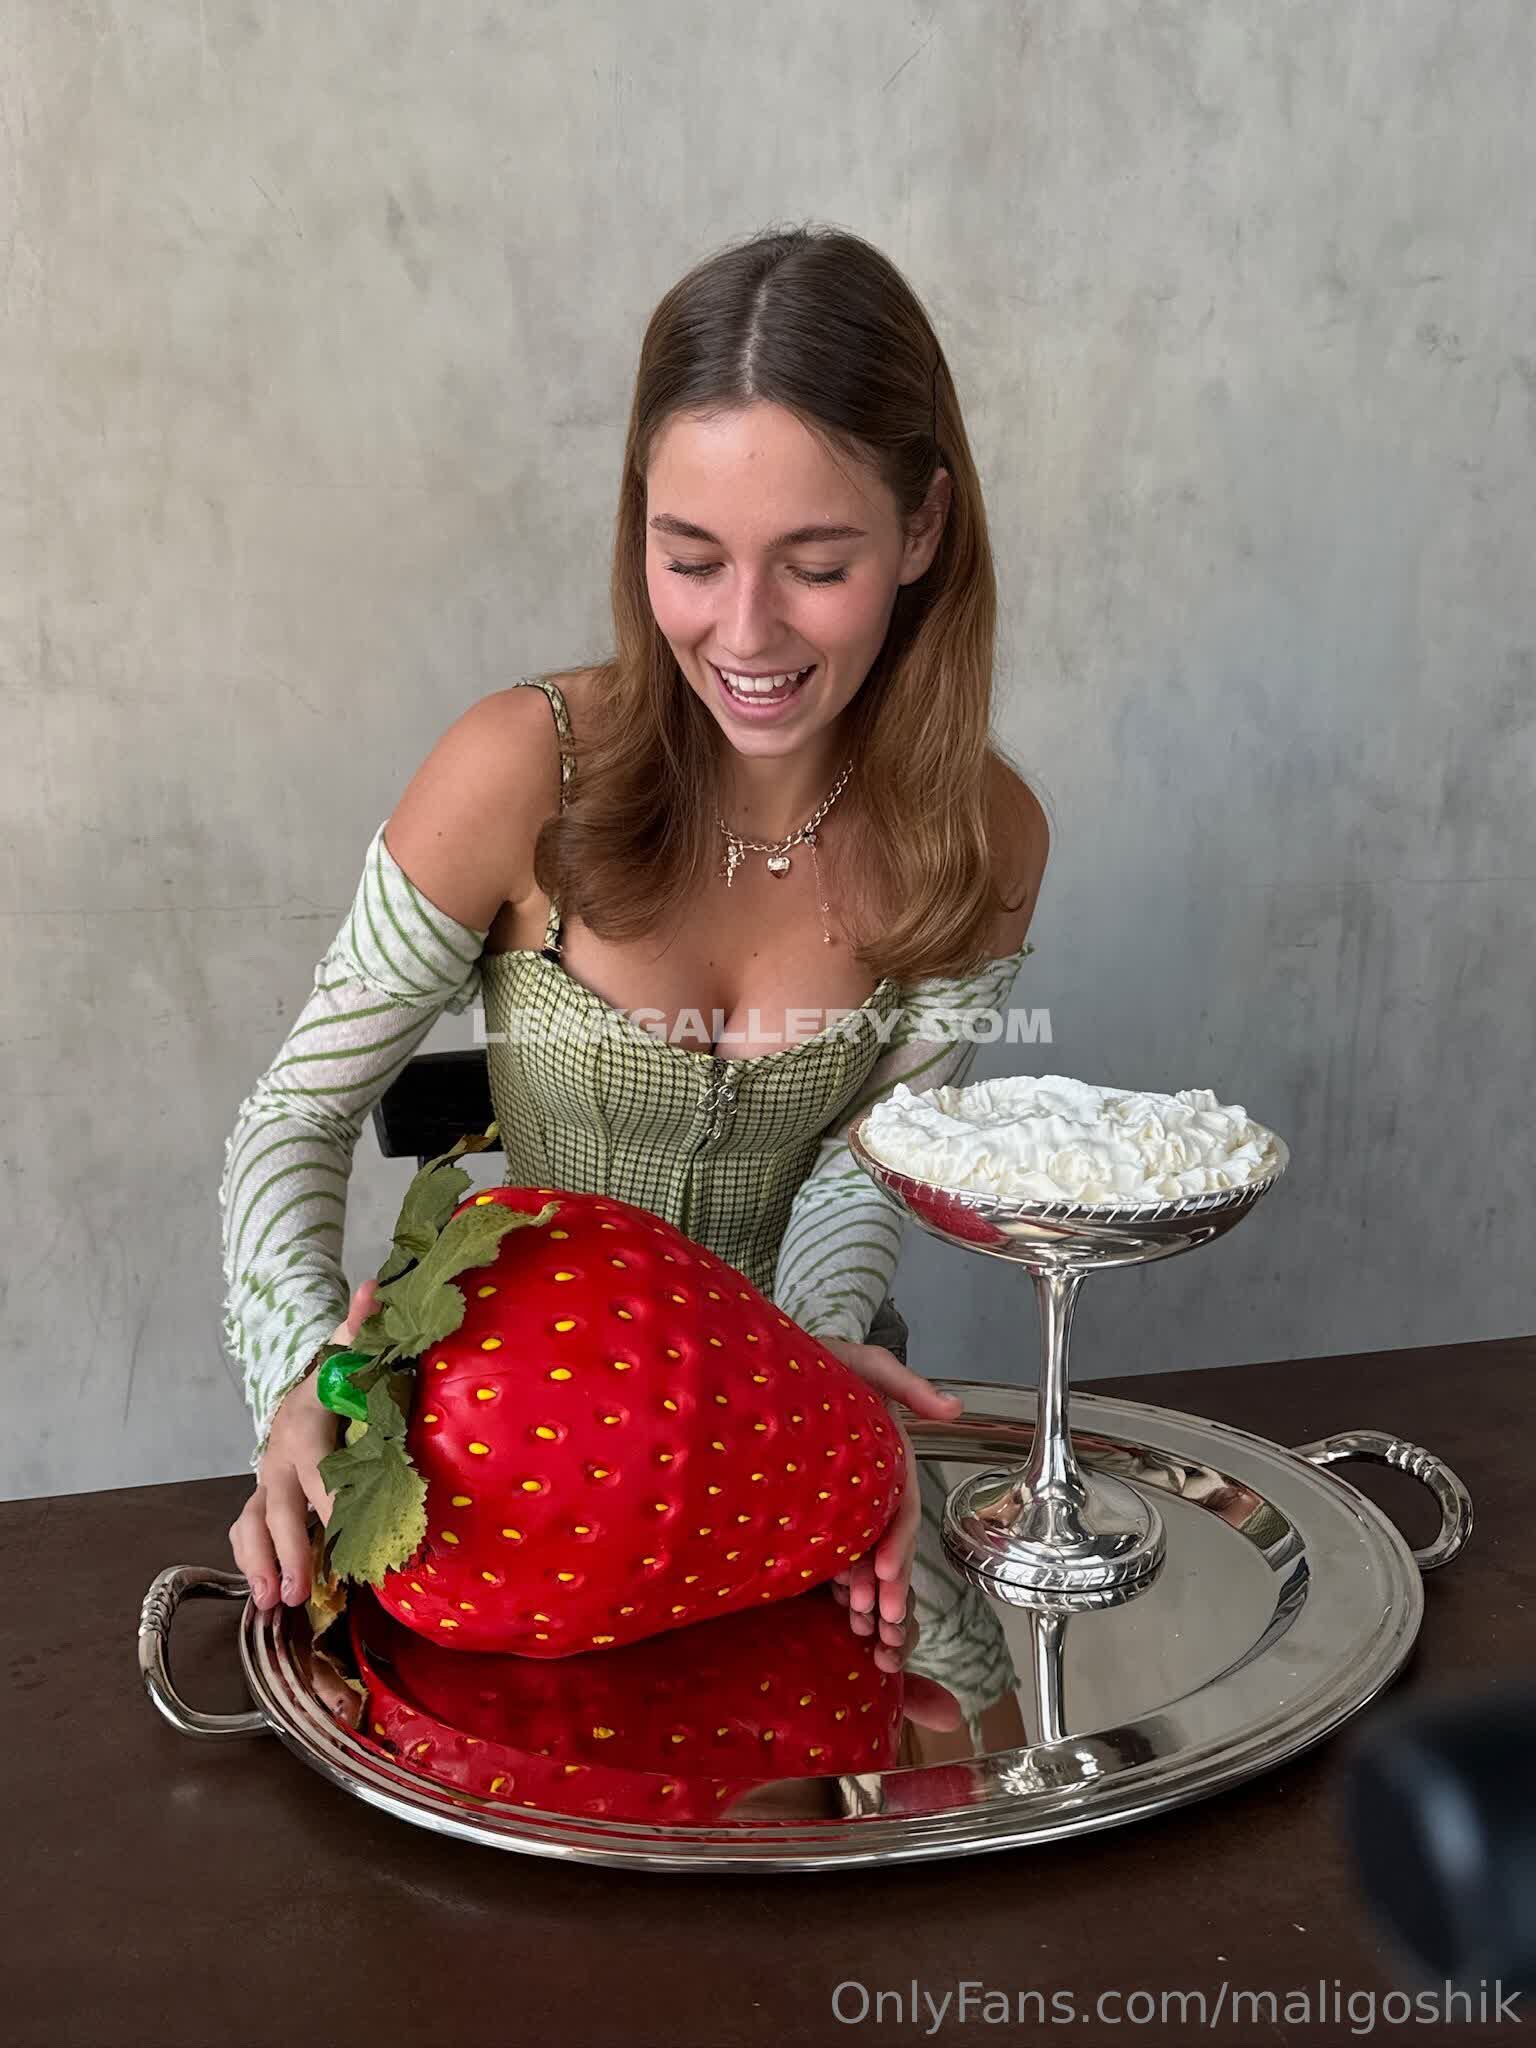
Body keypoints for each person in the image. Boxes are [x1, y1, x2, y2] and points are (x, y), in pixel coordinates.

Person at [220, 222, 1049, 1703]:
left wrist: (812, 1387)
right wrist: (308, 1379)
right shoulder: (517, 767)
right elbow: (292, 1115)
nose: (745, 631)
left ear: (922, 529)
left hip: (799, 1460)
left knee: (944, 1754)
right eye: (692, 559)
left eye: (818, 565)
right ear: (639, 532)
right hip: (510, 1475)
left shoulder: (984, 831)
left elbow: (871, 1163)